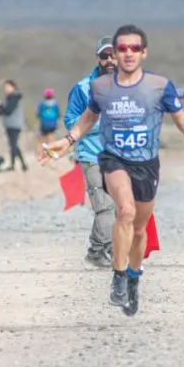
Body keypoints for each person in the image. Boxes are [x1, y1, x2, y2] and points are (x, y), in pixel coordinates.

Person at [40, 24, 184, 315]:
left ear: (144, 52)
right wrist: (66, 141)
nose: (126, 53)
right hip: (112, 158)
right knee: (124, 211)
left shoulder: (159, 86)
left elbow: (182, 121)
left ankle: (133, 277)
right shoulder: (99, 88)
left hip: (145, 162)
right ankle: (119, 274)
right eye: (121, 48)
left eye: (134, 48)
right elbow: (87, 119)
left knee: (138, 229)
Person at [64, 36, 118, 268]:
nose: (109, 60)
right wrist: (100, 121)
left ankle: (97, 251)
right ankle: (111, 252)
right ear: (97, 58)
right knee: (104, 207)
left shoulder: (129, 85)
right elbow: (70, 121)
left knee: (120, 206)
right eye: (104, 55)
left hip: (121, 157)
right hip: (92, 155)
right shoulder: (83, 88)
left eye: (113, 55)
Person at [0, 80, 27, 172]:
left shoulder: (15, 98)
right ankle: (23, 164)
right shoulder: (8, 98)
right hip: (9, 125)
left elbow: (8, 110)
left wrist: (0, 106)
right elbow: (0, 112)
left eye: (8, 87)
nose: (6, 89)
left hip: (15, 124)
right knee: (14, 145)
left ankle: (13, 165)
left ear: (13, 87)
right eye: (5, 87)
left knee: (13, 145)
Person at [36, 88, 60, 153]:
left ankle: (40, 154)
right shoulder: (55, 104)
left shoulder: (42, 104)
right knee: (51, 139)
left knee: (41, 140)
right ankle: (52, 154)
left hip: (44, 124)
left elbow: (38, 114)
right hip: (53, 124)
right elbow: (58, 115)